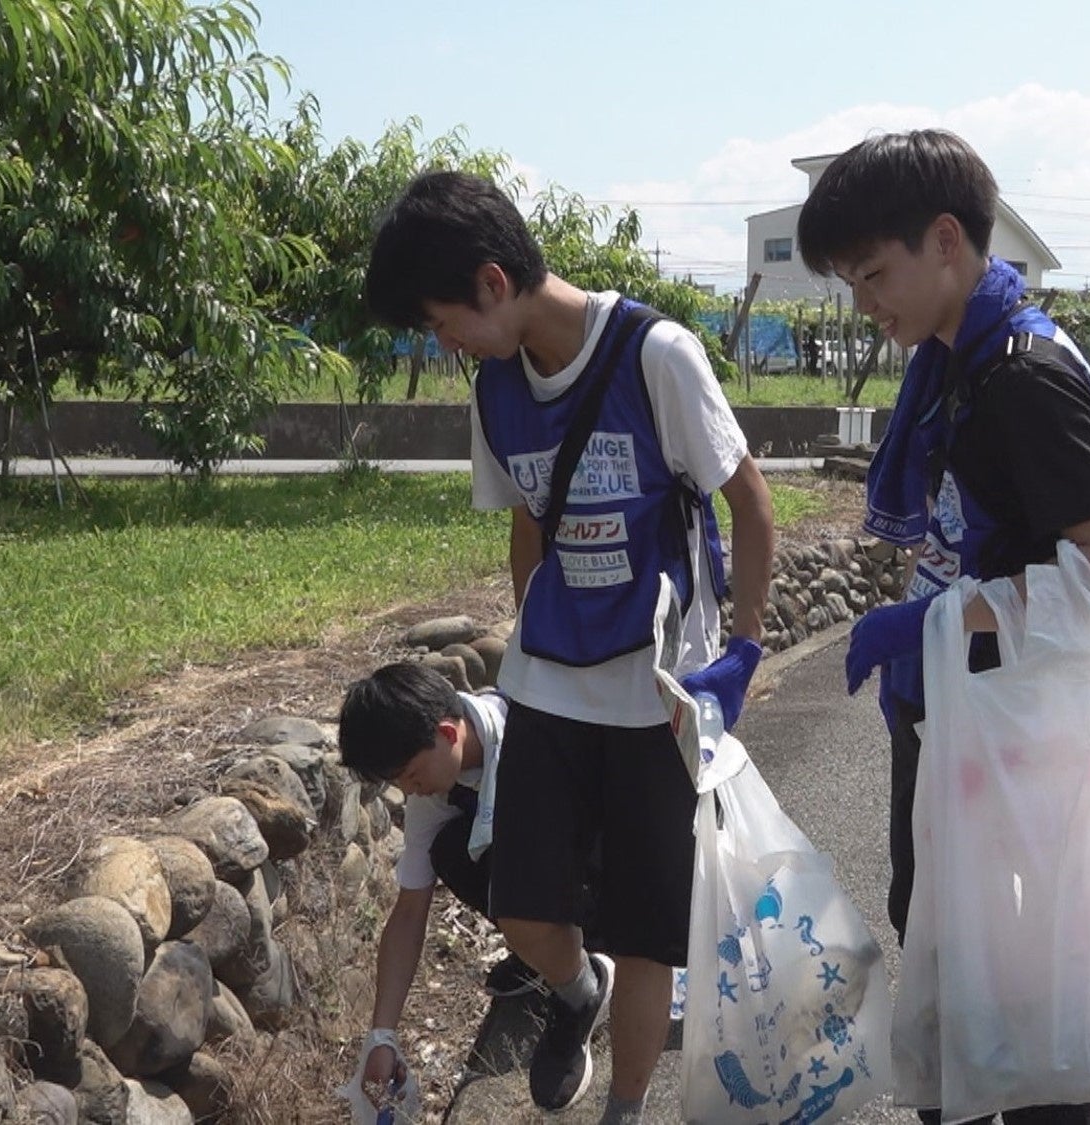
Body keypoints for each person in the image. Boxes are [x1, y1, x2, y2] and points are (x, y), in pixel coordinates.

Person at [363, 169, 777, 1124]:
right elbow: (526, 525)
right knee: (522, 906)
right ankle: (571, 991)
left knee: (646, 935)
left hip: (654, 696)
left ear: (492, 283)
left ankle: (623, 1109)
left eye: (441, 319)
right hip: (548, 687)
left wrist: (744, 649)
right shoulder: (497, 395)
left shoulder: (655, 355)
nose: (444, 343)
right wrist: (532, 638)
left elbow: (747, 501)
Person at [815, 128, 1090, 1125]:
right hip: (971, 716)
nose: (865, 300)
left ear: (948, 242)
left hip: (1019, 741)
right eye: (852, 280)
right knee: (967, 978)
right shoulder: (955, 361)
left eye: (876, 272)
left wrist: (929, 617)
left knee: (1032, 1007)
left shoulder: (1019, 377)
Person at [333, 662, 541, 1119]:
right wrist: (381, 1035)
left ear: (448, 732)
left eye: (409, 775)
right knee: (450, 849)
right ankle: (540, 956)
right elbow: (409, 910)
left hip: (599, 870)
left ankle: (577, 958)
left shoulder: (533, 730)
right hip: (540, 883)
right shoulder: (435, 795)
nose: (410, 790)